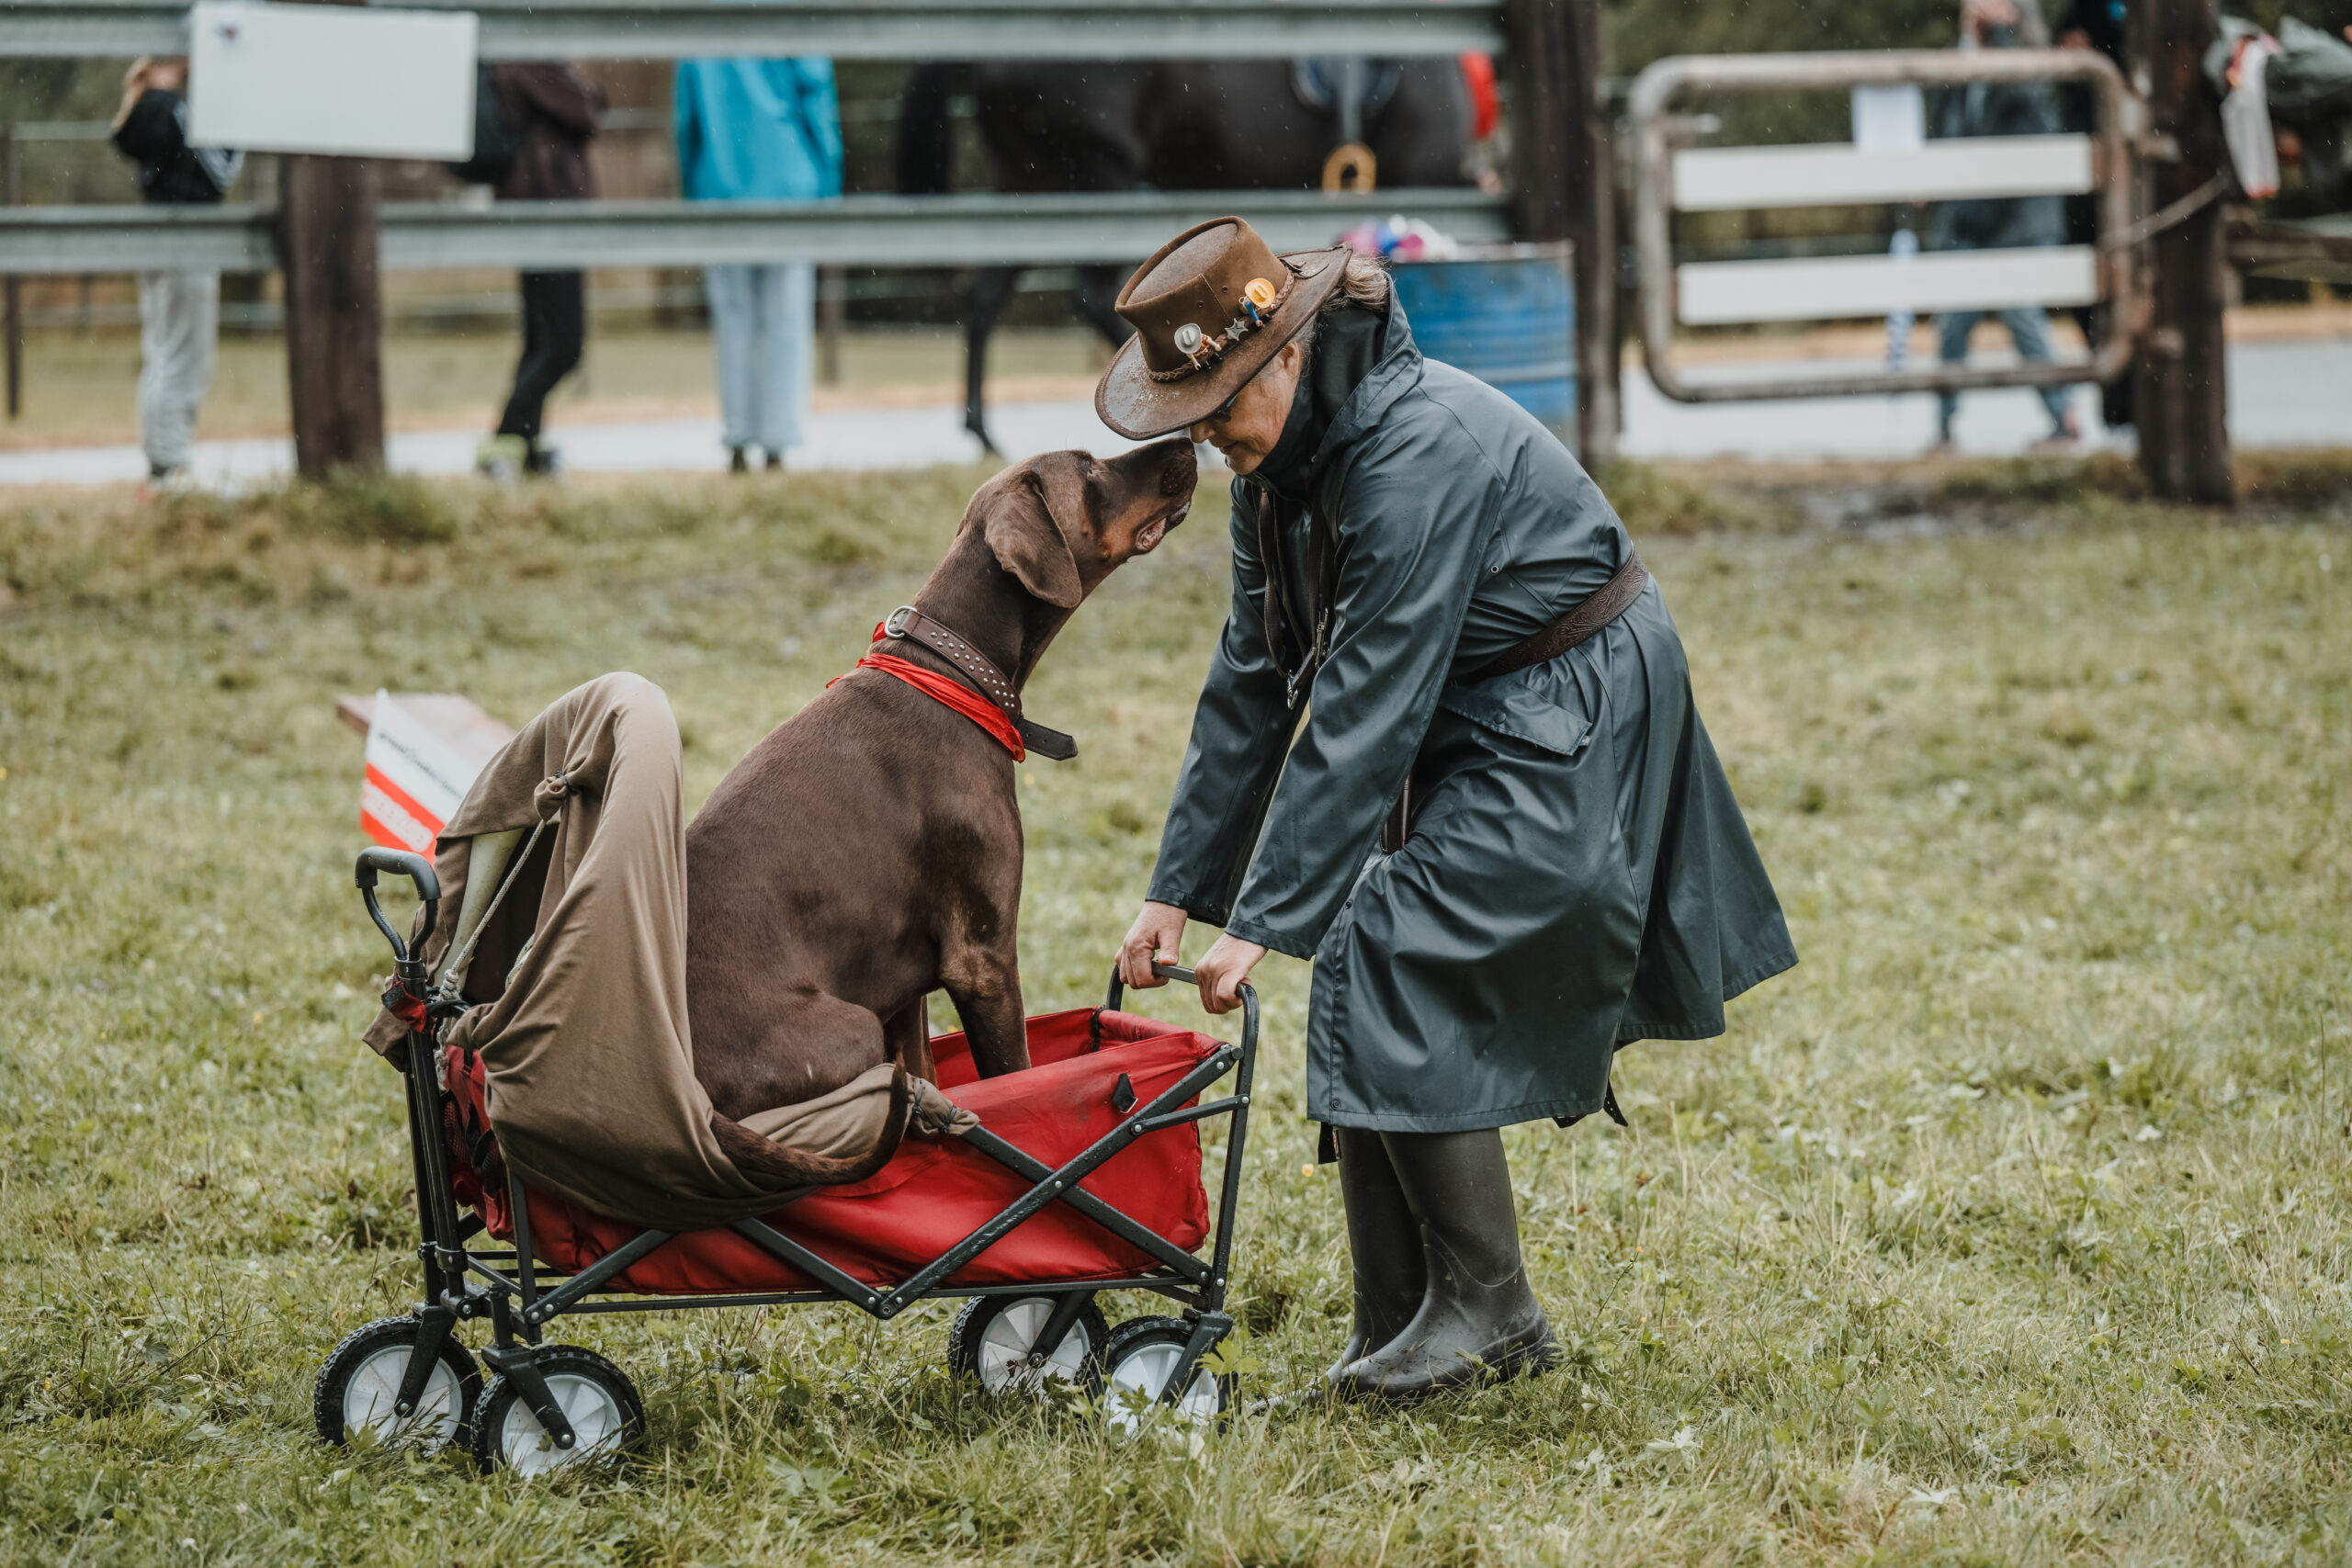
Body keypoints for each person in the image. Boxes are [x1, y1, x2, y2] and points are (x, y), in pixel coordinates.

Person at [1102, 218, 1796, 1402]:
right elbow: (1253, 683)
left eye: (1222, 405)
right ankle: (1401, 1329)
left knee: (1384, 938)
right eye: (1194, 419)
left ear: (1287, 354)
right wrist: (1178, 891)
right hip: (1475, 701)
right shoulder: (1275, 476)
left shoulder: (1415, 453)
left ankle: (1491, 1311)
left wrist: (1261, 919)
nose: (1214, 442)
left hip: (1570, 698)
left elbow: (1366, 709)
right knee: (1370, 943)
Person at [674, 54, 842, 472]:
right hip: (788, 184)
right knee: (785, 323)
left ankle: (737, 436)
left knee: (734, 323)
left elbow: (686, 121)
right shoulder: (792, 16)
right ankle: (777, 442)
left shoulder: (704, 24)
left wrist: (694, 187)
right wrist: (827, 179)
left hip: (719, 186)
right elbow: (816, 100)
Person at [1929, 0, 2081, 453]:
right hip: (1970, 217)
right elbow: (1947, 129)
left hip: (2020, 216)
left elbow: (2024, 101)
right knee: (1953, 321)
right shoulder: (1961, 66)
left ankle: (2063, 418)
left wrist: (2002, 36)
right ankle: (1942, 428)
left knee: (2021, 313)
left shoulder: (2026, 63)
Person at [109, 54, 243, 490]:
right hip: (188, 241)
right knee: (187, 357)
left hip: (155, 239)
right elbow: (223, 170)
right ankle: (172, 467)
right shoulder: (176, 111)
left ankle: (162, 464)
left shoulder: (143, 110)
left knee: (163, 354)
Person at [479, 62, 605, 479]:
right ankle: (506, 434)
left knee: (541, 338)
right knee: (565, 345)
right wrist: (589, 94)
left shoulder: (514, 54)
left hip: (530, 204)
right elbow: (585, 110)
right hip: (549, 206)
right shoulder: (530, 54)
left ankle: (526, 446)